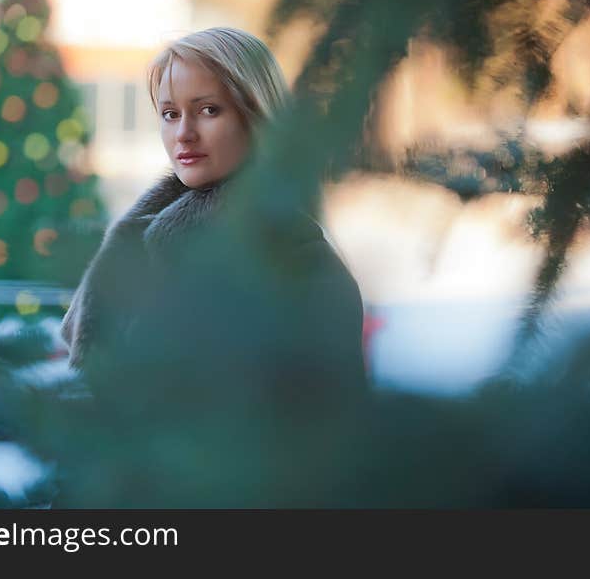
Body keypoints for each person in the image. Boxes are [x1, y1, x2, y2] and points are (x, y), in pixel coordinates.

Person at [60, 27, 367, 396]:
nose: (184, 133)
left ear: (256, 117)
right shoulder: (137, 243)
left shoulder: (298, 260)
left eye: (208, 110)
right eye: (170, 114)